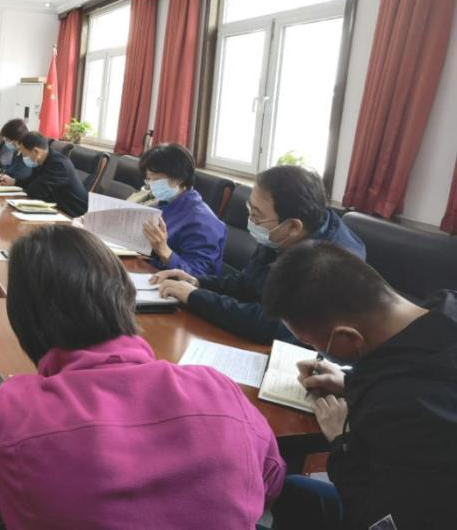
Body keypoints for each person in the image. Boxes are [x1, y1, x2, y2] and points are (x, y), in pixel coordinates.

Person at [0, 225, 285, 529]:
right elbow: (270, 479)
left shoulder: (18, 413)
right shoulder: (218, 389)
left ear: (24, 320)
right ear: (126, 296)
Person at [264, 242, 457, 530]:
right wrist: (350, 382)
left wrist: (342, 443)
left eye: (314, 344)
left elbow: (377, 521)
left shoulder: (409, 411)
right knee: (296, 493)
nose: (318, 352)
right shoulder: (444, 311)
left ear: (347, 337)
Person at [153, 165, 366, 345]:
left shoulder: (332, 264)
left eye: (256, 215)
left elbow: (272, 324)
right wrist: (197, 282)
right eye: (250, 209)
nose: (251, 221)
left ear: (293, 227)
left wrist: (195, 297)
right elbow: (246, 283)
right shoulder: (280, 235)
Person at [138, 144, 226, 277]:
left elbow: (199, 277)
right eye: (148, 179)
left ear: (178, 178)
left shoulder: (202, 222)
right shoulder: (164, 204)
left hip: (177, 286)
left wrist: (164, 251)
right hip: (153, 272)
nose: (151, 185)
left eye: (155, 179)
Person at [0, 132, 88, 217]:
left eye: (24, 154)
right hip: (57, 210)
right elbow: (31, 181)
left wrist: (28, 187)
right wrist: (14, 181)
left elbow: (36, 191)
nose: (23, 157)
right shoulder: (41, 160)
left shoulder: (58, 165)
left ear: (36, 151)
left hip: (72, 216)